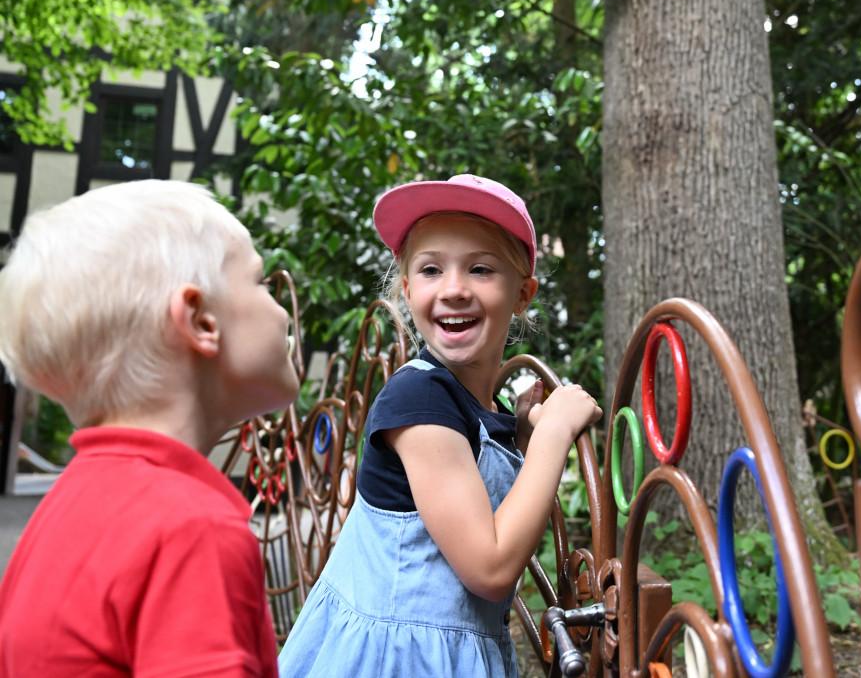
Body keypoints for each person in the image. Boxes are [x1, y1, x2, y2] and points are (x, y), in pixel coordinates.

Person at [279, 173, 601, 677]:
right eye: (431, 270)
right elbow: (490, 568)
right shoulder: (419, 399)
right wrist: (555, 435)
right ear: (407, 290)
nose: (454, 289)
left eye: (479, 269)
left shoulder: (470, 403)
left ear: (522, 294)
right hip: (396, 659)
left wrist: (519, 435)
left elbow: (476, 486)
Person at [0, 180, 298, 677]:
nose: (282, 310)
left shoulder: (70, 505)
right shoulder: (191, 529)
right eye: (261, 282)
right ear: (201, 321)